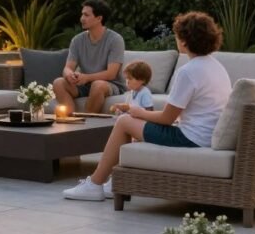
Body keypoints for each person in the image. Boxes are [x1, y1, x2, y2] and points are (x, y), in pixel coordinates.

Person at [63, 11, 232, 201]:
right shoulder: (217, 66)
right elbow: (178, 114)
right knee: (136, 122)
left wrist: (139, 113)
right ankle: (113, 182)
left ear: (184, 41)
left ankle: (94, 184)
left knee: (125, 121)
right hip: (207, 134)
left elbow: (167, 118)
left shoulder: (188, 71)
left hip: (191, 138)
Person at [52, 0, 126, 114]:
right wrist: (69, 75)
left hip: (109, 84)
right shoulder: (77, 40)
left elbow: (111, 74)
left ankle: (86, 126)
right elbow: (67, 68)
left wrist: (86, 77)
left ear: (99, 18)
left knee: (97, 85)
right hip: (85, 84)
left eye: (86, 15)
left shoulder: (115, 40)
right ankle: (71, 121)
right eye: (82, 14)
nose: (82, 18)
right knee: (58, 83)